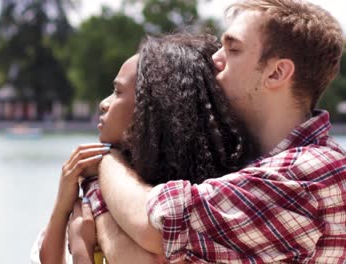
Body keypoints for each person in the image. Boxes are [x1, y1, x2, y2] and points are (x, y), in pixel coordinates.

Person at [89, 0, 346, 263]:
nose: (215, 59)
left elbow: (158, 224)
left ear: (277, 72)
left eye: (233, 49)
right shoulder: (253, 166)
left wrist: (108, 162)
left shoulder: (312, 174)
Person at [31, 32, 255, 263]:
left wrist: (81, 250)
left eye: (117, 92)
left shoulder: (189, 211)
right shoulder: (96, 172)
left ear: (153, 110)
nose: (103, 103)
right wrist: (62, 205)